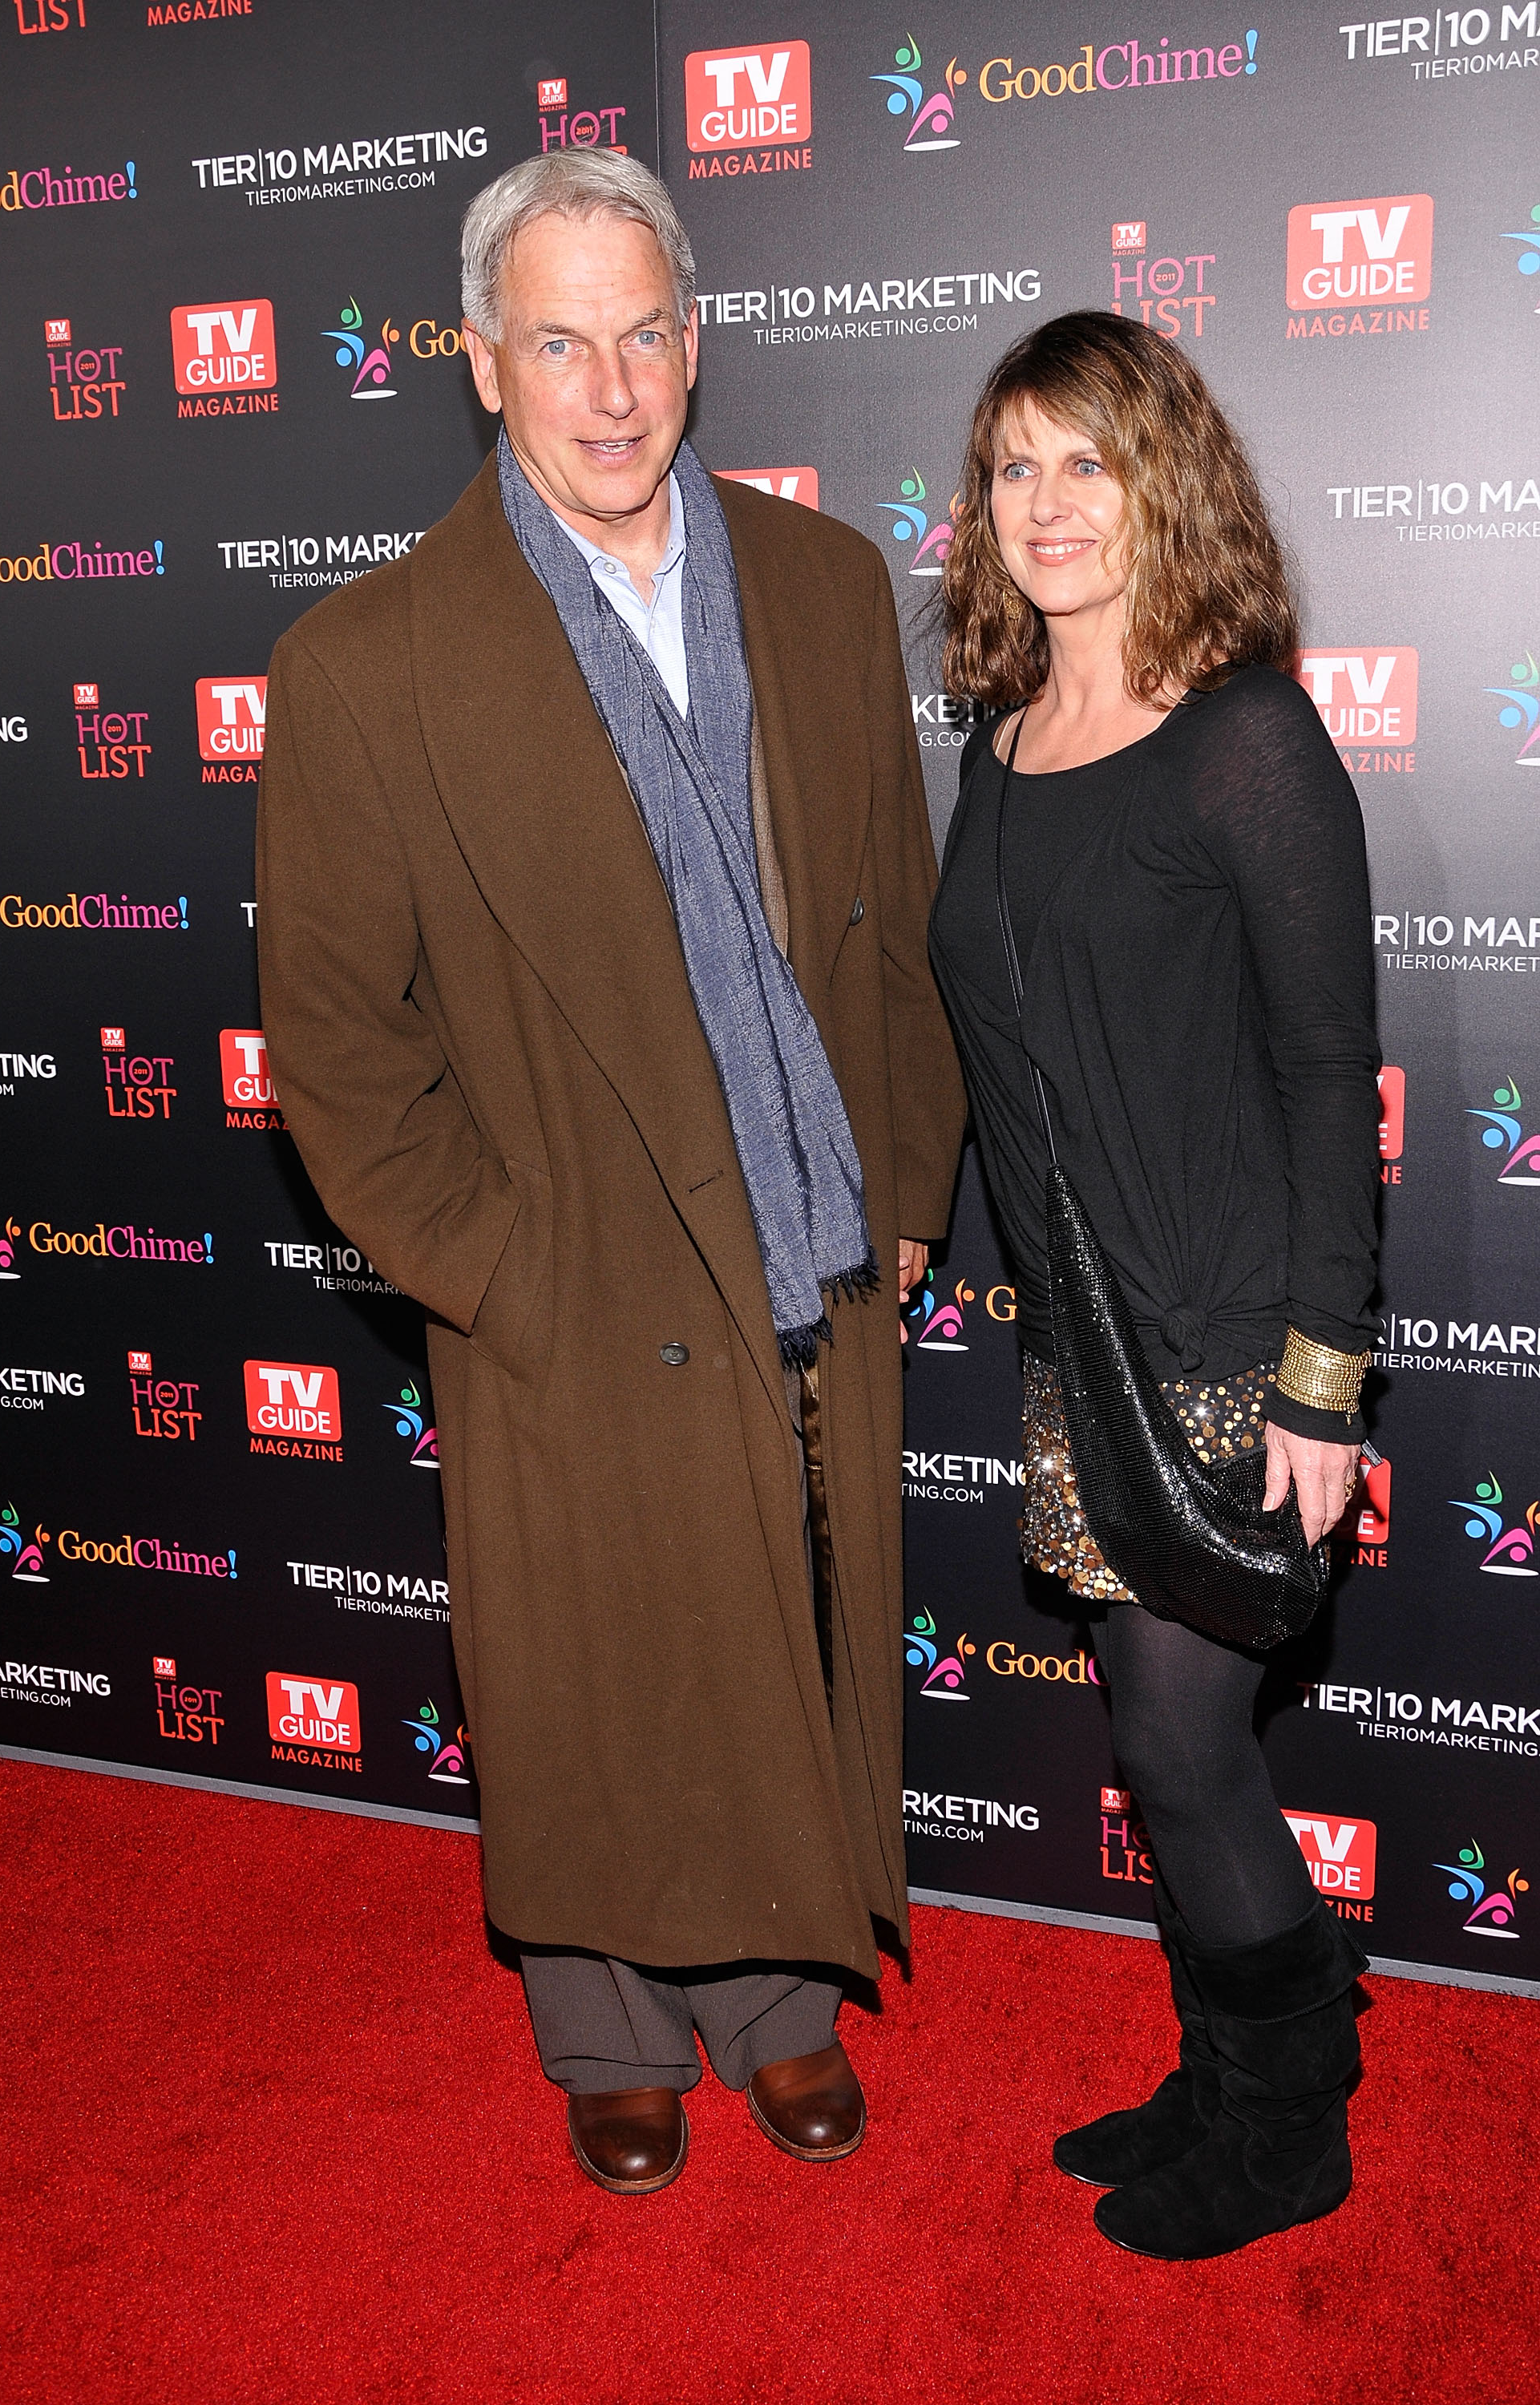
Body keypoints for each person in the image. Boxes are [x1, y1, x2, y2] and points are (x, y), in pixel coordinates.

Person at [256, 150, 964, 2196]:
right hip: (566, 1265)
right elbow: (338, 1046)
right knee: (586, 1661)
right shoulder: (368, 662)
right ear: (483, 364)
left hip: (809, 1234)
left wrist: (902, 1179)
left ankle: (781, 2006)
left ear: (695, 337)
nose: (611, 386)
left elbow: (891, 929)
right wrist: (499, 1266)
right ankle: (609, 2028)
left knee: (798, 1619)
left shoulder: (822, 591)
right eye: (558, 341)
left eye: (645, 330)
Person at [928, 313, 1380, 2260]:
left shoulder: (1246, 735)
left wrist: (1322, 1383)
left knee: (1185, 1753)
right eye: (1015, 465)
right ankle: (1220, 2074)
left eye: (1086, 461)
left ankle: (1293, 2127)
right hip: (1081, 1339)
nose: (1046, 505)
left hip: (1224, 1340)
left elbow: (1320, 1073)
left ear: (1163, 479)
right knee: (1153, 1744)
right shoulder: (1003, 739)